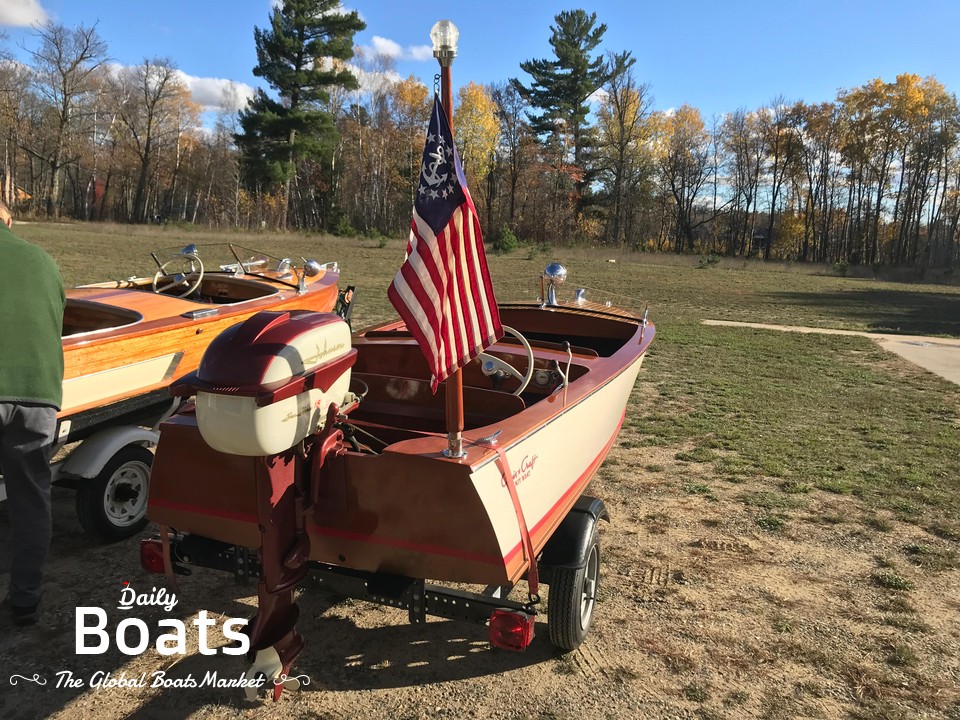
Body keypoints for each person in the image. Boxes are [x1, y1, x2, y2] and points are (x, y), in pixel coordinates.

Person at [0, 199, 65, 626]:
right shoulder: (43, 260)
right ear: (8, 220)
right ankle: (24, 602)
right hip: (40, 396)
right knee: (30, 500)